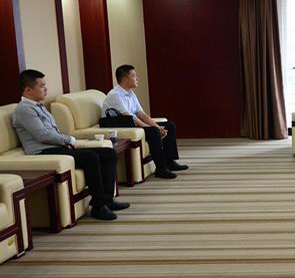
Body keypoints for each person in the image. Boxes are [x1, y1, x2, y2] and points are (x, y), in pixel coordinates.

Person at [12, 70, 129, 221]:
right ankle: (98, 206)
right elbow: (43, 135)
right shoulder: (24, 110)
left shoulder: (38, 106)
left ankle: (107, 200)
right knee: (91, 157)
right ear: (28, 90)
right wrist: (69, 140)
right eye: (42, 86)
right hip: (43, 152)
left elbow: (52, 132)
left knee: (108, 153)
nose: (46, 89)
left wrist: (66, 141)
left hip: (56, 147)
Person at [102, 65, 187, 180]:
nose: (137, 78)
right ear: (125, 80)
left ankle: (170, 162)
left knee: (170, 126)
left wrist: (157, 126)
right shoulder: (115, 95)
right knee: (153, 132)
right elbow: (130, 117)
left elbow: (141, 114)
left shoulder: (130, 93)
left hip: (133, 124)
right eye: (134, 76)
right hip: (124, 126)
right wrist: (154, 129)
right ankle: (161, 169)